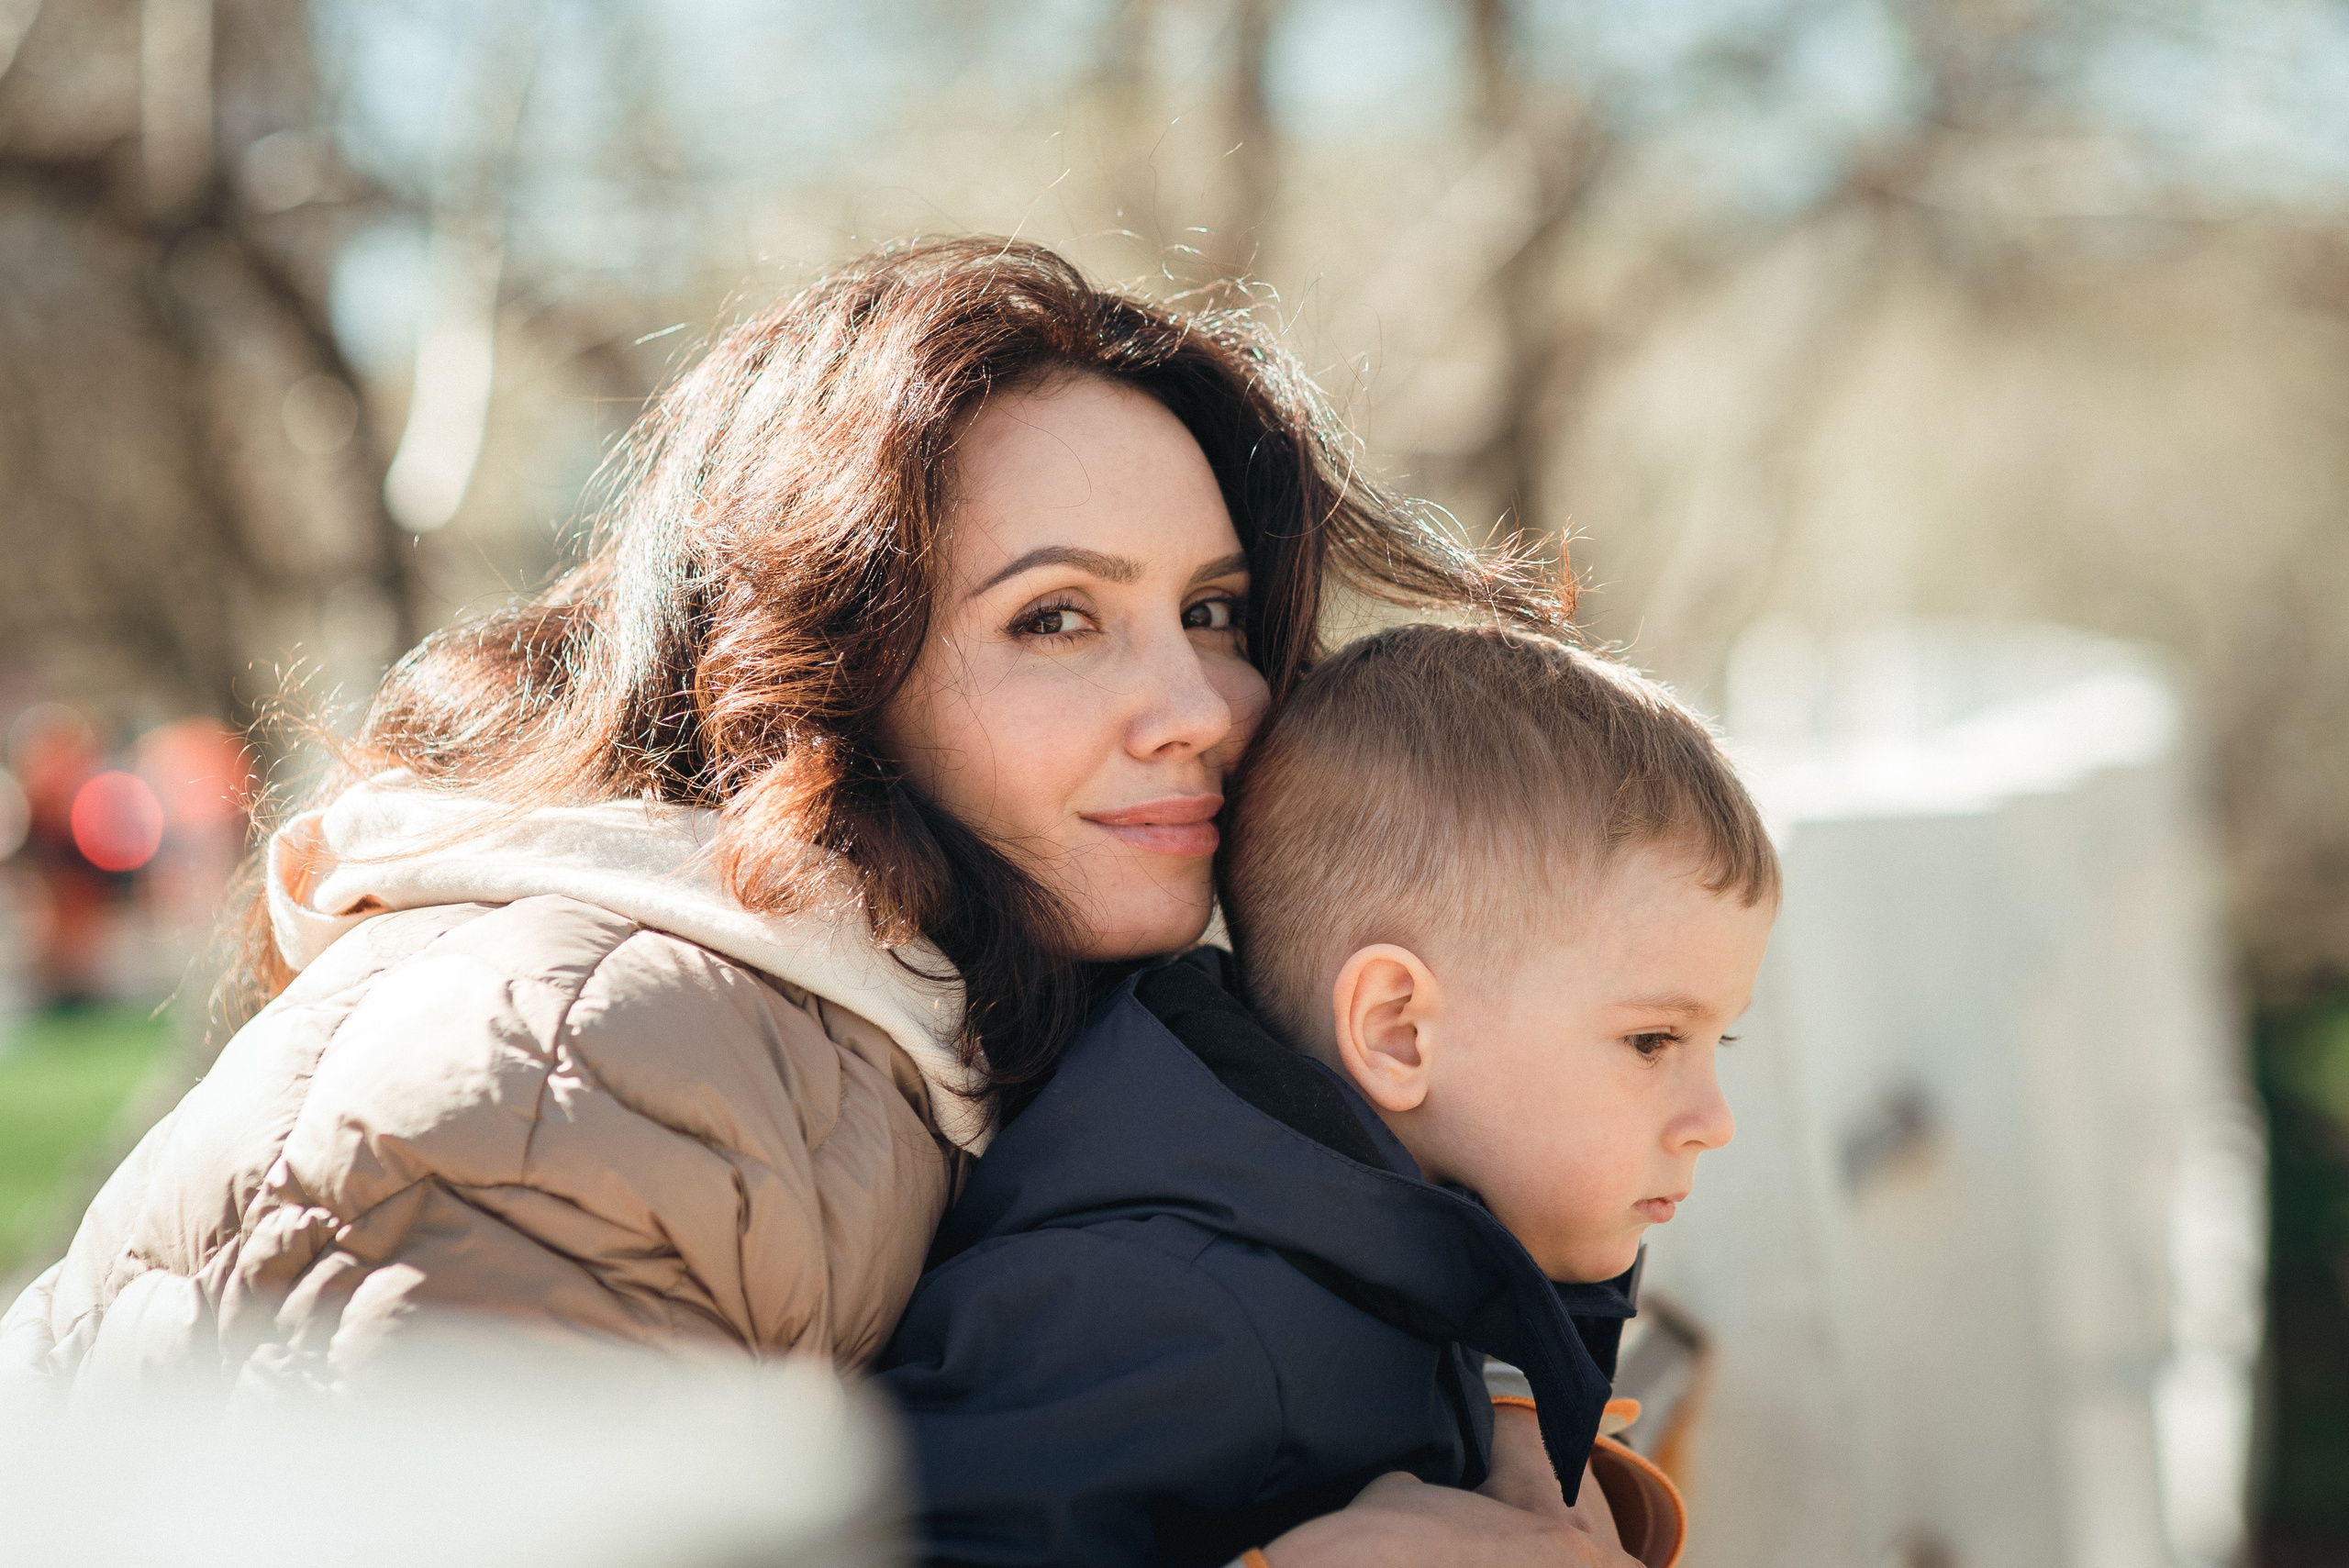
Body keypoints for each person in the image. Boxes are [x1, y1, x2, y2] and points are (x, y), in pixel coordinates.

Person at [0, 238, 1636, 1565]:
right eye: (1056, 617)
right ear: (816, 662)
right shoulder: (577, 1076)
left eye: (1211, 610)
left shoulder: (973, 1007)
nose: (1199, 702)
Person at [878, 624, 1781, 1568]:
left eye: (1714, 1041)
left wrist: (1515, 1402)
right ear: (1398, 1029)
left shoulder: (1403, 1239)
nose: (1712, 1121)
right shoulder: (1164, 1315)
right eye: (1650, 1040)